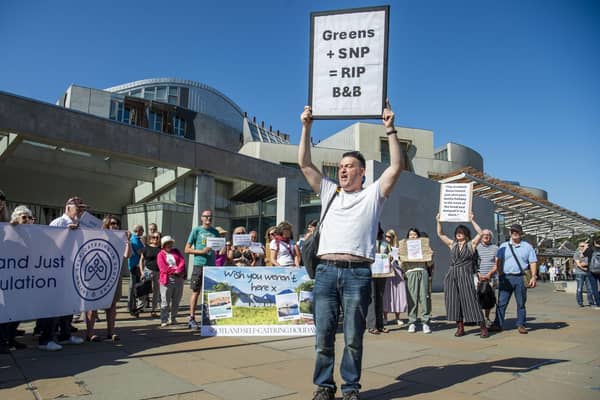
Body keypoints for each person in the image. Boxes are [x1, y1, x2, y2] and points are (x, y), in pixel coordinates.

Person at [299, 103, 403, 400]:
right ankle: (324, 386)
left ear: (362, 172)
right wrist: (306, 127)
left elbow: (396, 167)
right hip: (326, 272)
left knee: (354, 337)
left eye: (349, 166)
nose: (343, 169)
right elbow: (305, 164)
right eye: (341, 166)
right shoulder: (329, 192)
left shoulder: (373, 195)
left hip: (358, 273)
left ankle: (350, 389)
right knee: (323, 336)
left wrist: (390, 129)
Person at [436, 212, 487, 338]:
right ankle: (460, 327)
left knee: (470, 300)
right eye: (457, 232)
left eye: (461, 232)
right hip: (452, 275)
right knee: (453, 300)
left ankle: (482, 326)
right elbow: (440, 234)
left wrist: (472, 220)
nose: (459, 233)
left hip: (465, 274)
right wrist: (438, 221)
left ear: (466, 234)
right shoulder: (452, 244)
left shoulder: (471, 244)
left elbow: (481, 233)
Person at [48, 197, 87, 348]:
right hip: (57, 270)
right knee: (55, 305)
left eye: (82, 208)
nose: (80, 210)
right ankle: (48, 337)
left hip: (72, 269)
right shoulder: (58, 223)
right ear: (68, 207)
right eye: (78, 207)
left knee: (69, 303)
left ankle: (65, 334)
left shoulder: (80, 224)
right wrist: (66, 232)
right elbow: (50, 243)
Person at [86, 215, 131, 342]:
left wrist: (127, 241)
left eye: (117, 223)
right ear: (106, 224)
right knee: (93, 305)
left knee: (112, 305)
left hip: (114, 276)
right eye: (112, 223)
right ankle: (90, 333)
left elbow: (127, 255)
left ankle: (111, 332)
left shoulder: (120, 239)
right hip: (96, 275)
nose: (115, 226)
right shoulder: (98, 235)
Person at [488, 224, 537, 334]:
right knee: (501, 303)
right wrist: (500, 275)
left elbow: (533, 262)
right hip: (506, 277)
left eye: (517, 232)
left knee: (521, 303)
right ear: (509, 233)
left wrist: (533, 276)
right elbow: (498, 261)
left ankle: (521, 325)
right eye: (512, 231)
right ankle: (498, 324)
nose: (515, 233)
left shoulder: (527, 247)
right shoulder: (503, 246)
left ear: (521, 233)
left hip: (520, 277)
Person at [185, 209, 219, 330]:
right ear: (201, 218)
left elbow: (219, 250)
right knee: (196, 292)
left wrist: (223, 249)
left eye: (210, 217)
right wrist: (201, 252)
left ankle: (210, 318)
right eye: (206, 217)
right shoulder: (196, 230)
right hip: (199, 264)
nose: (208, 219)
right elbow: (187, 249)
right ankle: (192, 318)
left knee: (211, 293)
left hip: (212, 267)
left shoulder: (215, 232)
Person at [400, 228, 432, 334]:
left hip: (422, 271)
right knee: (412, 298)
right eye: (410, 235)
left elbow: (430, 264)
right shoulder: (404, 246)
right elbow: (401, 264)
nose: (412, 236)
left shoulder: (424, 246)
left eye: (415, 235)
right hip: (410, 272)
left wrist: (430, 255)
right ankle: (412, 322)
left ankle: (425, 322)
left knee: (424, 297)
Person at [367, 225, 391, 335]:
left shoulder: (385, 243)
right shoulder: (366, 240)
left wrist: (390, 257)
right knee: (372, 298)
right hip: (370, 273)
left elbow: (390, 254)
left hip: (382, 273)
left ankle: (380, 325)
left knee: (380, 297)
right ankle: (372, 325)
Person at [157, 236, 186, 326]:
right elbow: (163, 268)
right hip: (167, 279)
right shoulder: (160, 254)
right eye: (167, 243)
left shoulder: (176, 251)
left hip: (178, 278)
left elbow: (182, 261)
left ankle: (173, 318)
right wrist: (174, 271)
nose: (169, 245)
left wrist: (178, 270)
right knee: (165, 301)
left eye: (170, 243)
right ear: (163, 245)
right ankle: (164, 320)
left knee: (176, 301)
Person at [383, 229, 408, 328]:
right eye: (386, 236)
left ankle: (398, 317)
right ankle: (385, 317)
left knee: (397, 294)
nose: (387, 238)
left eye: (389, 236)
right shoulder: (383, 247)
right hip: (387, 272)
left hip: (397, 272)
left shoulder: (397, 247)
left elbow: (402, 260)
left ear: (393, 237)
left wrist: (399, 259)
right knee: (387, 295)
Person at [477, 229, 499, 326]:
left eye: (488, 235)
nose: (486, 236)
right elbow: (473, 263)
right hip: (478, 278)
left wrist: (490, 273)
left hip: (491, 278)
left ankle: (486, 318)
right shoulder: (476, 248)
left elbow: (497, 263)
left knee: (488, 299)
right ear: (481, 236)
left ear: (491, 237)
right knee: (477, 298)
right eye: (484, 235)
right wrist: (478, 274)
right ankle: (479, 317)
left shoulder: (495, 248)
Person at [139, 231, 162, 317]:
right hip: (148, 270)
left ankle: (153, 310)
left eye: (157, 237)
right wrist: (142, 272)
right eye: (154, 237)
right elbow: (141, 260)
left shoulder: (162, 249)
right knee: (144, 289)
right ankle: (140, 307)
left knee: (156, 291)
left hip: (158, 272)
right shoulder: (146, 248)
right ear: (150, 239)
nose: (155, 239)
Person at [573, 242, 598, 307]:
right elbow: (579, 264)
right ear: (578, 246)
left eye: (584, 246)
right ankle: (580, 302)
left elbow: (589, 262)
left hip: (588, 273)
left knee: (590, 289)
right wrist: (584, 267)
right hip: (579, 273)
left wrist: (584, 264)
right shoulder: (576, 253)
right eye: (581, 246)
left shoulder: (588, 252)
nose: (583, 247)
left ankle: (591, 302)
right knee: (579, 288)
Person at [128, 224, 145, 317]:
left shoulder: (137, 239)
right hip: (135, 266)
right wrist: (144, 248)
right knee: (133, 288)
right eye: (142, 230)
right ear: (138, 230)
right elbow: (140, 252)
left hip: (136, 266)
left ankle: (134, 308)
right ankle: (132, 308)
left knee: (135, 288)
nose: (143, 232)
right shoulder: (135, 240)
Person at [582, 236, 600, 306]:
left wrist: (585, 247)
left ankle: (598, 303)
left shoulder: (590, 249)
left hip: (591, 270)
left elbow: (582, 255)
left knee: (594, 287)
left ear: (595, 242)